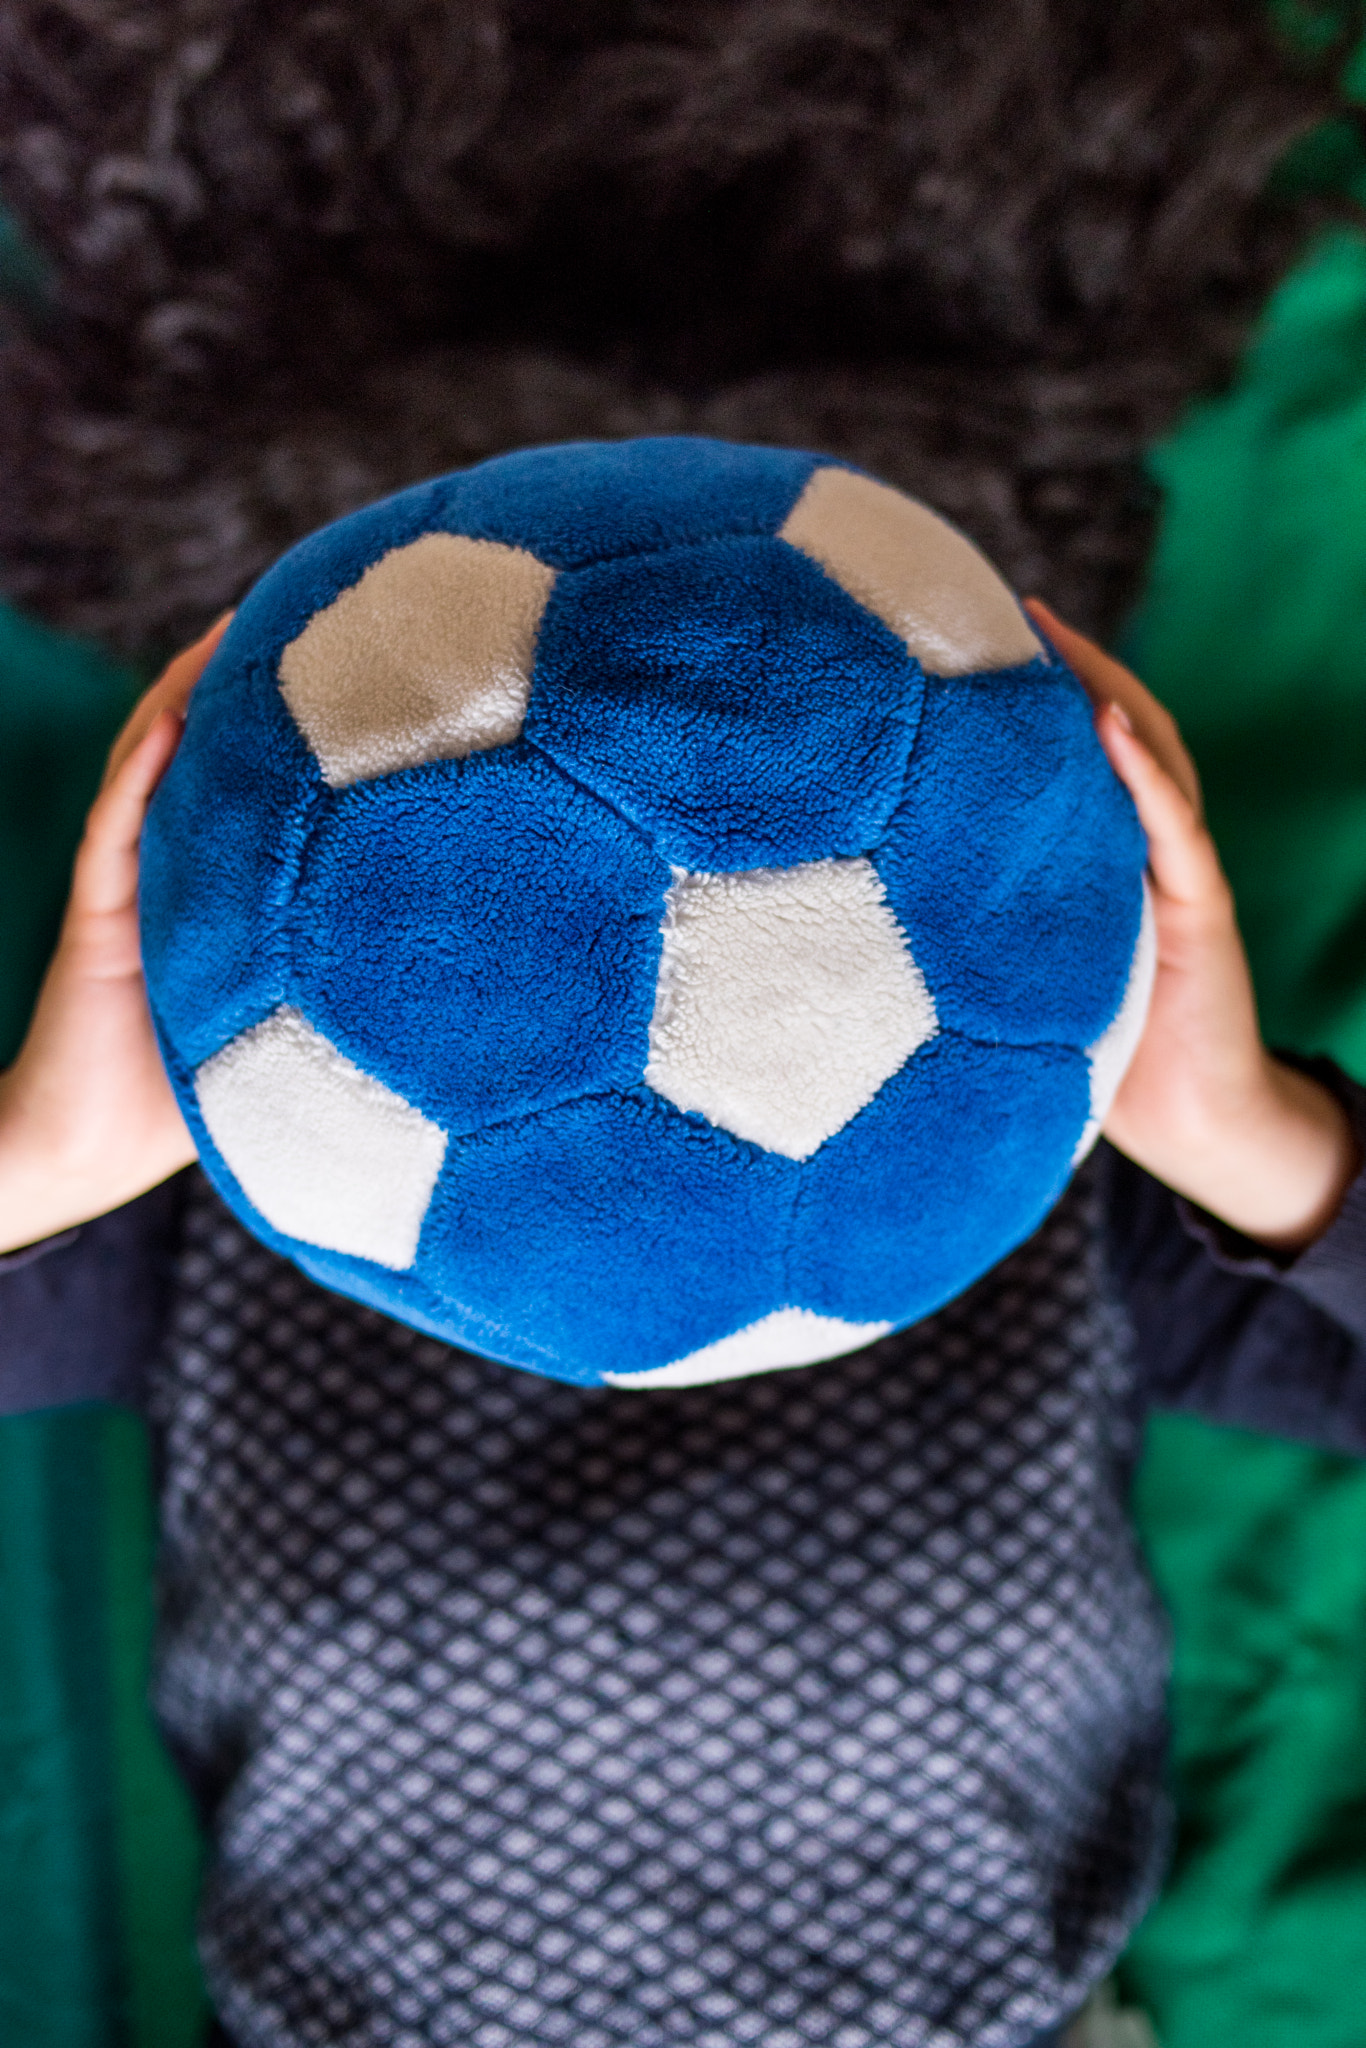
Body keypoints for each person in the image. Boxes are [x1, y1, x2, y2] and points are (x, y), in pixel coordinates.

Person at [2, 601, 1365, 2048]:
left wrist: (1241, 1131)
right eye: (489, 917)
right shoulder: (243, 1172)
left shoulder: (1015, 1160)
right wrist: (46, 1148)